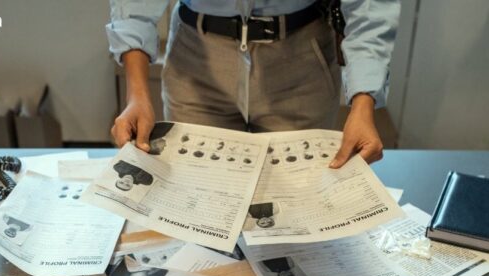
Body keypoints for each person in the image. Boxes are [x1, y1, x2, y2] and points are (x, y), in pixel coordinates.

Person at [107, 1, 400, 168]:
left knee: (294, 206)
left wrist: (363, 106)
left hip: (300, 54)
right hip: (198, 58)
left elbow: (368, 5)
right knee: (198, 198)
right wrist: (137, 96)